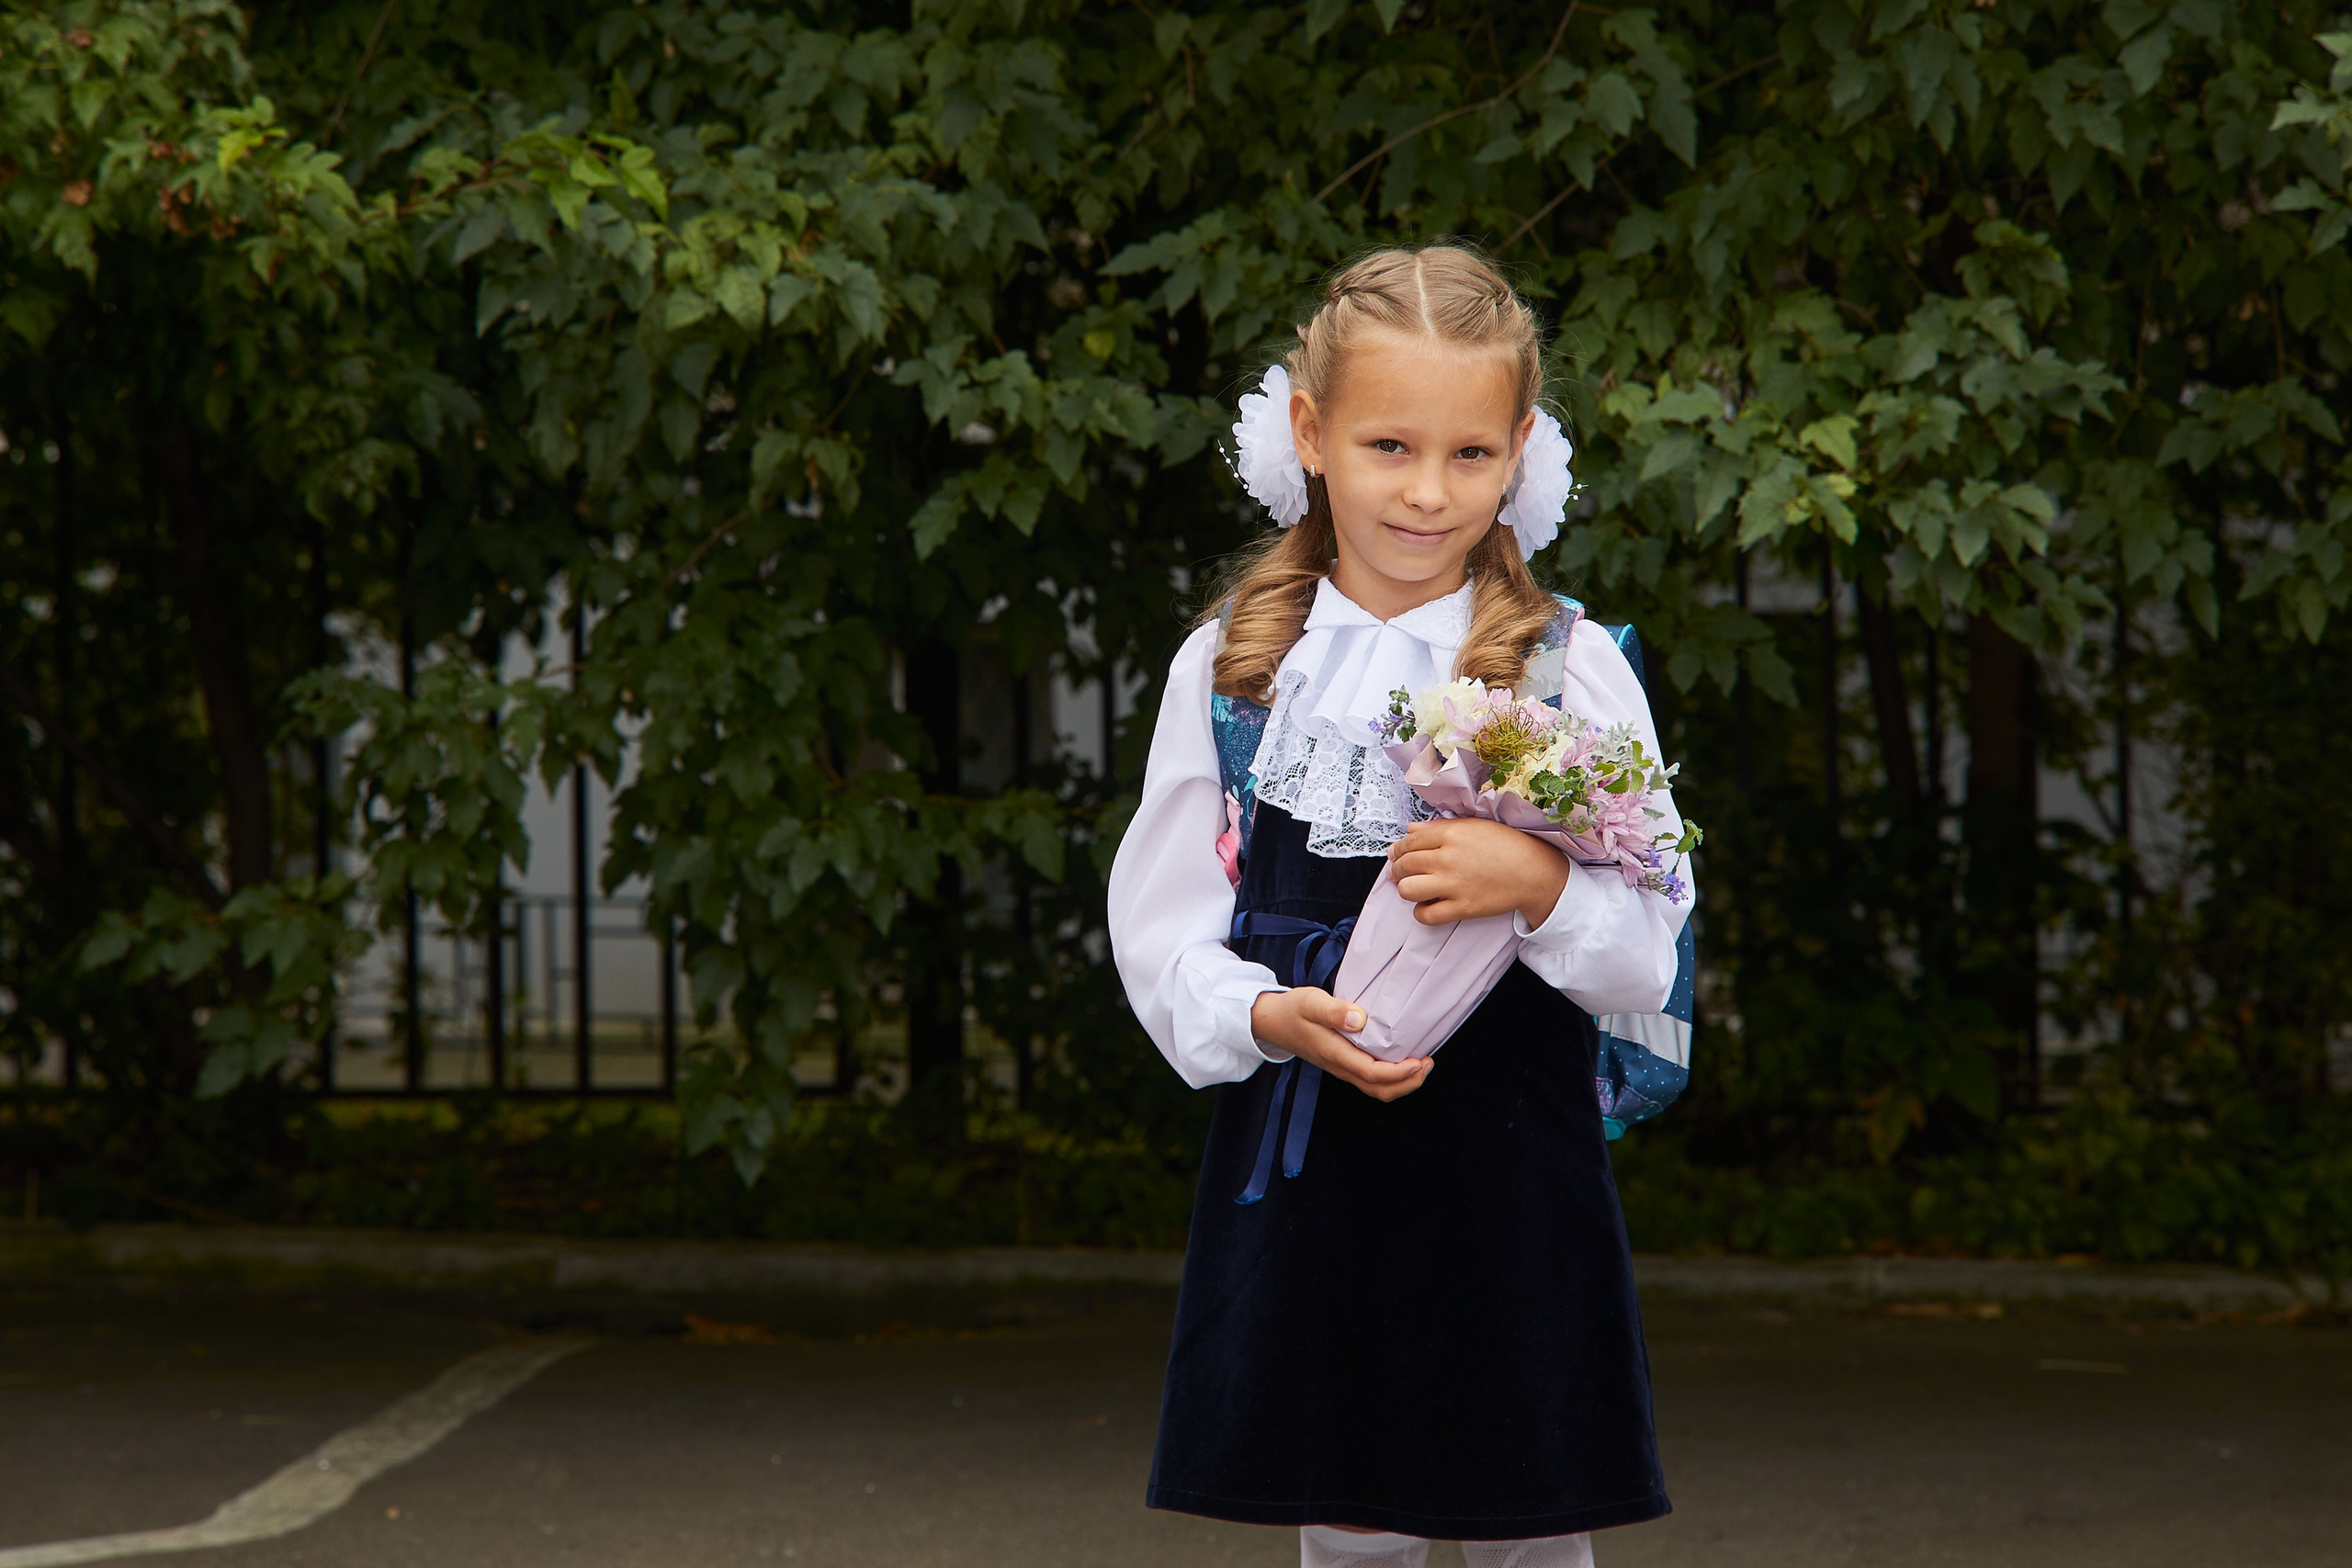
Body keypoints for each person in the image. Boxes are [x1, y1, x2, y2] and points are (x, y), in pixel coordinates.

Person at [1106, 243, 1695, 1568]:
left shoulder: (1572, 667)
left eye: (1470, 455)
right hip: (1316, 1153)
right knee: (1349, 1513)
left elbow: (1650, 951)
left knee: (1528, 1522)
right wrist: (1261, 1012)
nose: (1428, 494)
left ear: (1521, 451)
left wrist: (1539, 883)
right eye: (1388, 446)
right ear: (1310, 433)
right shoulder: (1236, 666)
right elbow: (1158, 928)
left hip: (1511, 1174)